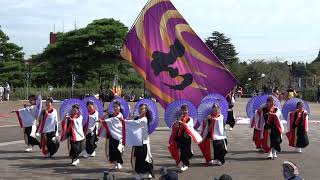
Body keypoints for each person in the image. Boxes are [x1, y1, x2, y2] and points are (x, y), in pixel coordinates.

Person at [168, 105, 202, 172]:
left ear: (188, 111)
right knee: (179, 152)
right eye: (182, 110)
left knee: (184, 152)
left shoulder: (190, 119)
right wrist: (179, 121)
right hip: (178, 137)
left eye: (185, 110)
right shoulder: (178, 118)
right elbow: (175, 127)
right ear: (180, 111)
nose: (184, 111)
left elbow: (189, 127)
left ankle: (185, 164)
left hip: (186, 137)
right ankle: (183, 163)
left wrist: (182, 123)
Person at [128, 104, 154, 179]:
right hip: (137, 140)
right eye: (140, 108)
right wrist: (130, 119)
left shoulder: (144, 119)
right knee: (138, 157)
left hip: (144, 141)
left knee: (146, 157)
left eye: (142, 109)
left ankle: (149, 172)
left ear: (145, 110)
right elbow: (133, 125)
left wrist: (125, 121)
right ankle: (139, 173)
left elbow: (135, 123)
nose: (141, 110)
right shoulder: (137, 118)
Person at [99, 101, 124, 170]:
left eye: (117, 106)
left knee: (117, 149)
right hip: (111, 135)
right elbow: (105, 119)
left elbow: (113, 120)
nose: (115, 108)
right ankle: (115, 162)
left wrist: (104, 121)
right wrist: (105, 114)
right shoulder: (112, 114)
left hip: (118, 135)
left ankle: (119, 162)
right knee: (112, 149)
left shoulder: (120, 115)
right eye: (114, 107)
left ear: (119, 107)